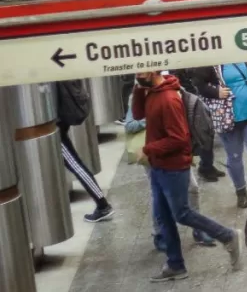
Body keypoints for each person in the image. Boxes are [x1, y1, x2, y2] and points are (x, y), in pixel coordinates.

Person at [132, 70, 241, 281]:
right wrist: (138, 86)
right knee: (163, 216)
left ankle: (227, 235)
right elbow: (137, 114)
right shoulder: (152, 91)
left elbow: (179, 139)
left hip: (173, 167)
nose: (137, 73)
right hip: (158, 166)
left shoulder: (168, 99)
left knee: (181, 213)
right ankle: (175, 264)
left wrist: (147, 150)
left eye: (141, 69)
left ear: (154, 70)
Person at [123, 91, 216, 250]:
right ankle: (159, 234)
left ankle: (198, 229)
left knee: (192, 187)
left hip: (174, 150)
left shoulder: (171, 91)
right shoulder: (137, 95)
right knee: (158, 194)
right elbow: (130, 125)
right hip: (151, 152)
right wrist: (151, 119)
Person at [193, 64, 247, 208]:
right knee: (234, 157)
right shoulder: (213, 59)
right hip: (227, 120)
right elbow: (199, 83)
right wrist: (215, 91)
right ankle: (241, 192)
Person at [54, 80, 113, 223]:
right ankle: (102, 205)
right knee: (74, 163)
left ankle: (102, 204)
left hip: (55, 122)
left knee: (75, 164)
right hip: (59, 118)